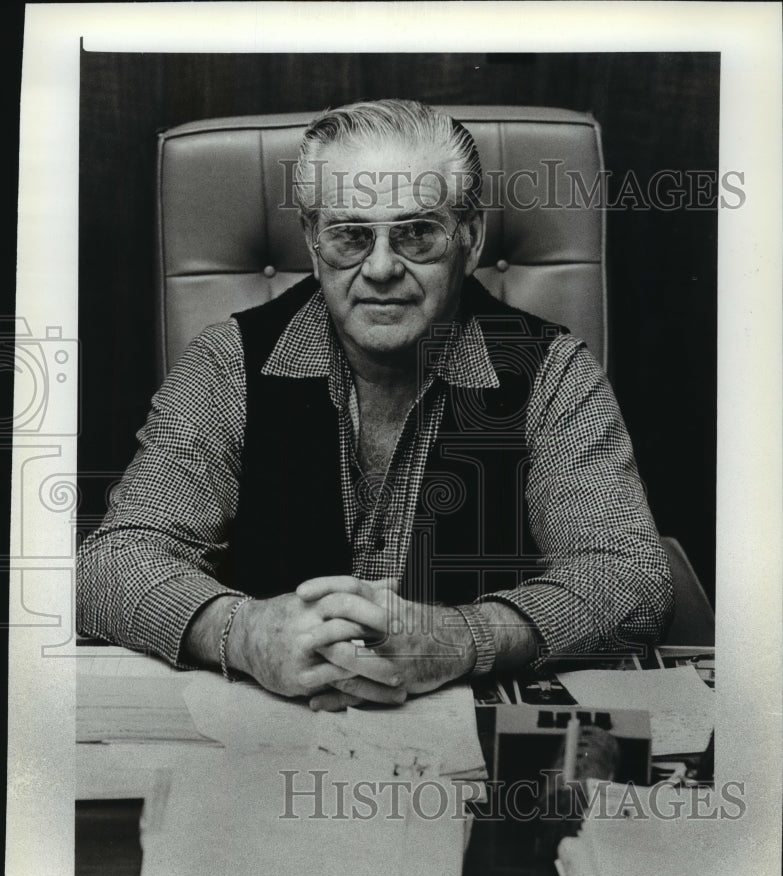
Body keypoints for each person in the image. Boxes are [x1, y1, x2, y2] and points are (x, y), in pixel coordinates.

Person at [76, 98, 673, 712]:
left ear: (470, 238)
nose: (382, 267)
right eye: (351, 236)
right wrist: (242, 632)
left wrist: (461, 639)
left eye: (417, 233)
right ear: (312, 242)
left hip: (464, 750)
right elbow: (112, 563)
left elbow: (632, 579)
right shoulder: (228, 361)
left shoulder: (552, 370)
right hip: (267, 735)